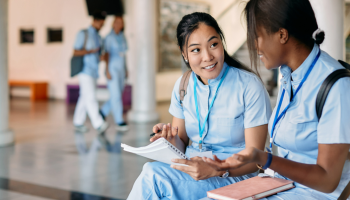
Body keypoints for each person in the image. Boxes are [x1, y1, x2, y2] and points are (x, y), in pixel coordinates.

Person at [203, 0, 350, 199]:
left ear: (282, 35)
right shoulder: (289, 76)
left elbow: (327, 180)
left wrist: (265, 159)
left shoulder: (336, 85)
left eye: (256, 36)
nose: (253, 45)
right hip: (283, 184)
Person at [127, 12, 272, 200]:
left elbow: (257, 160)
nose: (208, 57)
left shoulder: (249, 86)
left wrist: (217, 170)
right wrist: (170, 140)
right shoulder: (183, 85)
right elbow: (181, 143)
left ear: (222, 43)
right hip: (192, 172)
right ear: (184, 53)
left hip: (236, 176)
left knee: (153, 177)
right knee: (151, 172)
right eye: (196, 50)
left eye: (214, 44)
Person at [73, 11, 109, 134]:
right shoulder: (83, 34)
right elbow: (75, 52)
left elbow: (97, 56)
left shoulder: (99, 38)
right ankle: (99, 124)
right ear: (95, 21)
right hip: (84, 70)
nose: (102, 26)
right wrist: (90, 51)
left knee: (84, 97)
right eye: (101, 24)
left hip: (94, 72)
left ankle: (78, 122)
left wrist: (102, 57)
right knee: (91, 97)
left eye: (103, 25)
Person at [100, 16, 128, 131]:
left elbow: (124, 54)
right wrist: (107, 70)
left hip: (121, 69)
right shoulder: (109, 38)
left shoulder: (123, 37)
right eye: (116, 22)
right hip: (111, 69)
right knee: (116, 95)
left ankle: (102, 112)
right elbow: (106, 54)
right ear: (113, 24)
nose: (118, 24)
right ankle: (119, 121)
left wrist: (126, 69)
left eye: (120, 22)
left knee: (117, 94)